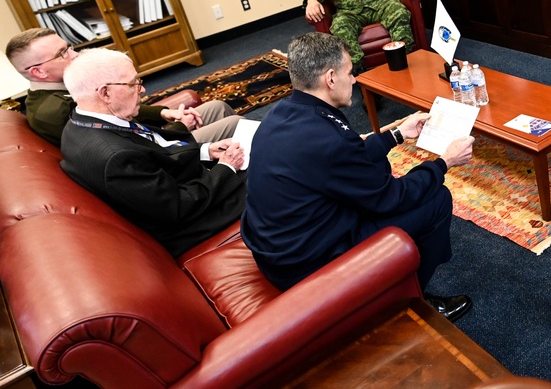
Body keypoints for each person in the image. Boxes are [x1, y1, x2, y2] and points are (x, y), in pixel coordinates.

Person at [241, 33, 476, 322]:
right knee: (437, 198)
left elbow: (344, 160)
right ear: (330, 78)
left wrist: (397, 134)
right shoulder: (327, 138)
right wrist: (444, 163)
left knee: (379, 171)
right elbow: (392, 198)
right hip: (305, 263)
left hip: (276, 251)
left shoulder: (280, 114)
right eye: (350, 73)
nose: (354, 80)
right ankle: (411, 304)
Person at [59, 48, 247, 257]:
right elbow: (178, 207)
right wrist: (227, 167)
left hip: (187, 184)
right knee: (274, 168)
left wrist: (205, 151)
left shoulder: (85, 120)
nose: (143, 90)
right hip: (194, 220)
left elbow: (155, 152)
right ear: (105, 93)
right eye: (133, 83)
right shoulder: (115, 158)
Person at [4, 28, 242, 147]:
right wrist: (180, 126)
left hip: (150, 134)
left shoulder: (63, 89)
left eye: (68, 47)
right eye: (63, 53)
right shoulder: (57, 110)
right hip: (155, 149)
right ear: (38, 71)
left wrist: (164, 113)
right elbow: (126, 143)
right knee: (233, 124)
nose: (74, 55)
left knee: (218, 107)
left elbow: (118, 109)